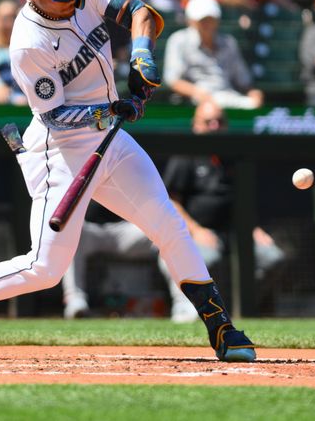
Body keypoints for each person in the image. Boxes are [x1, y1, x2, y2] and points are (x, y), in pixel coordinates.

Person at [0, 0, 256, 363]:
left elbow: (140, 12)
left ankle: (221, 328)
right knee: (44, 269)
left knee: (169, 224)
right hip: (61, 153)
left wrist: (141, 53)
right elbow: (54, 117)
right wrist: (109, 110)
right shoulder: (27, 43)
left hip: (112, 143)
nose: (75, 1)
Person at [63, 100, 286, 322]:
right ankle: (75, 302)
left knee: (169, 233)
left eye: (220, 121)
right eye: (209, 122)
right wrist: (196, 230)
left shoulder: (231, 160)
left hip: (148, 230)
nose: (215, 126)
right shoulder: (74, 149)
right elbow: (173, 198)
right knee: (72, 232)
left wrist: (252, 228)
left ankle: (202, 307)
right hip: (99, 229)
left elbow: (240, 202)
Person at [164, 0, 264, 109]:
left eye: (210, 19)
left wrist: (254, 93)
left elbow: (243, 81)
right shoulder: (179, 41)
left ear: (217, 20)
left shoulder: (228, 42)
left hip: (229, 97)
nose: (207, 24)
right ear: (191, 21)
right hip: (195, 102)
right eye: (202, 20)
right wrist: (198, 93)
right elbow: (173, 80)